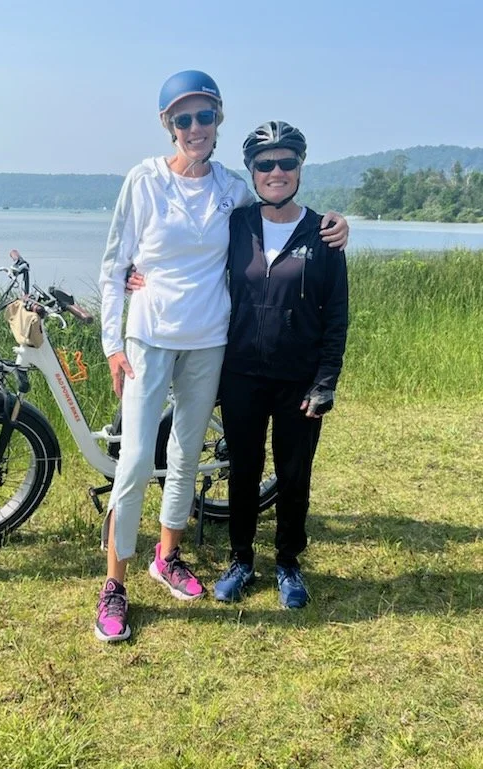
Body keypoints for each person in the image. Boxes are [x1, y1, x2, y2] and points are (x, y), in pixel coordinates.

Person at [96, 73, 348, 642]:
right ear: (168, 125)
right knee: (136, 460)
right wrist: (113, 342)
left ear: (218, 120)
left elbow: (282, 210)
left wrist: (338, 224)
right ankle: (114, 583)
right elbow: (115, 266)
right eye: (182, 119)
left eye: (204, 117)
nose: (194, 129)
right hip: (149, 339)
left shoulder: (232, 189)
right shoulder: (142, 180)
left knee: (186, 456)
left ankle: (168, 556)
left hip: (211, 341)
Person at [213, 121, 349, 608]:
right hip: (241, 374)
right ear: (251, 171)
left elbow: (336, 315)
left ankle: (288, 563)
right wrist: (137, 274)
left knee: (294, 475)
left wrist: (325, 381)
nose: (276, 172)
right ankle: (241, 559)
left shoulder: (324, 233)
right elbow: (186, 259)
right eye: (265, 164)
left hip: (299, 380)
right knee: (244, 472)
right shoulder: (236, 225)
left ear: (300, 168)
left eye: (287, 162)